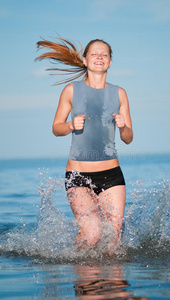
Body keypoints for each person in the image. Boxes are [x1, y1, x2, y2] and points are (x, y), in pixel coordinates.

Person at [36, 37, 133, 250]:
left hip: (112, 175)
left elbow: (128, 137)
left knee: (113, 240)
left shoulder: (119, 93)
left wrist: (123, 126)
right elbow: (56, 128)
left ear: (109, 62)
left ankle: (112, 281)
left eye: (104, 54)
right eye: (95, 54)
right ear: (85, 60)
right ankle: (83, 276)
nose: (100, 57)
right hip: (78, 175)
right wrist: (70, 124)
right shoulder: (72, 90)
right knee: (92, 235)